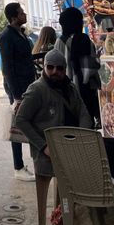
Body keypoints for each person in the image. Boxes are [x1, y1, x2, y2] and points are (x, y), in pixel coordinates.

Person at [15, 49, 92, 216]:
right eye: (50, 67)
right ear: (44, 68)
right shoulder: (37, 90)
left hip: (73, 145)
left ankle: (81, 214)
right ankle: (68, 215)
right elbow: (20, 120)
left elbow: (83, 113)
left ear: (65, 70)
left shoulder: (69, 87)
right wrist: (43, 146)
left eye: (59, 68)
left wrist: (84, 138)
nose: (54, 72)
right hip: (49, 153)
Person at [0, 2, 37, 181]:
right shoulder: (6, 37)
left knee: (30, 123)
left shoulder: (20, 34)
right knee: (17, 125)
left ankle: (34, 161)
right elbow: (8, 67)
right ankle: (18, 166)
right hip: (18, 88)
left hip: (29, 85)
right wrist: (15, 95)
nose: (25, 14)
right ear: (14, 17)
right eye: (21, 13)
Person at [55, 7, 102, 124]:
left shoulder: (59, 42)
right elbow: (91, 68)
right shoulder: (84, 40)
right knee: (87, 123)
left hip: (66, 89)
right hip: (85, 90)